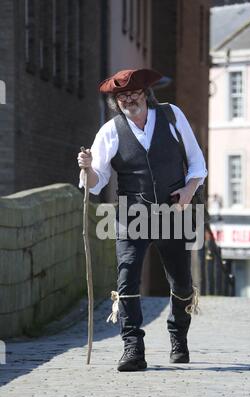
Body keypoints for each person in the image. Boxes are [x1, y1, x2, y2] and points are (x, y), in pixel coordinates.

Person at [77, 68, 207, 372]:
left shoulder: (172, 116)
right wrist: (86, 168)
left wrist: (188, 192)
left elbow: (197, 161)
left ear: (145, 93)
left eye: (134, 94)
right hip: (131, 215)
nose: (128, 100)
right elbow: (96, 181)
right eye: (121, 96)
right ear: (115, 101)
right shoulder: (110, 131)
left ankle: (178, 337)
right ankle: (133, 347)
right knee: (126, 278)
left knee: (182, 283)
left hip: (174, 211)